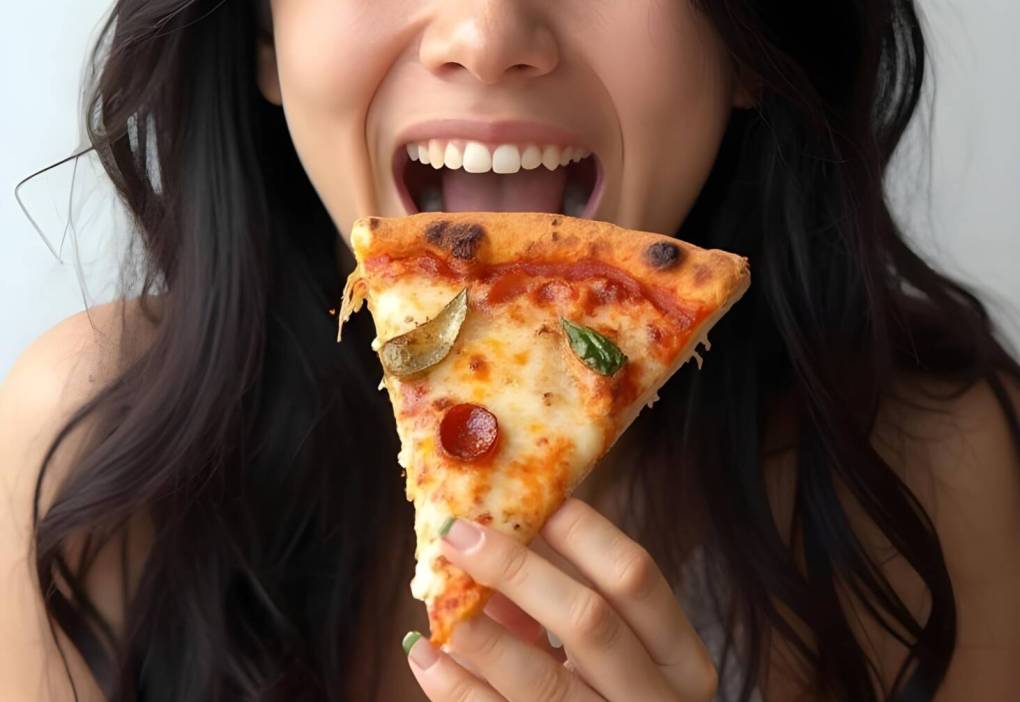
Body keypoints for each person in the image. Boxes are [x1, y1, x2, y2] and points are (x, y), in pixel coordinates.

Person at [2, 1, 1018, 700]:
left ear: (747, 34)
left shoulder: (928, 468)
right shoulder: (97, 454)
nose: (488, 34)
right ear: (265, 35)